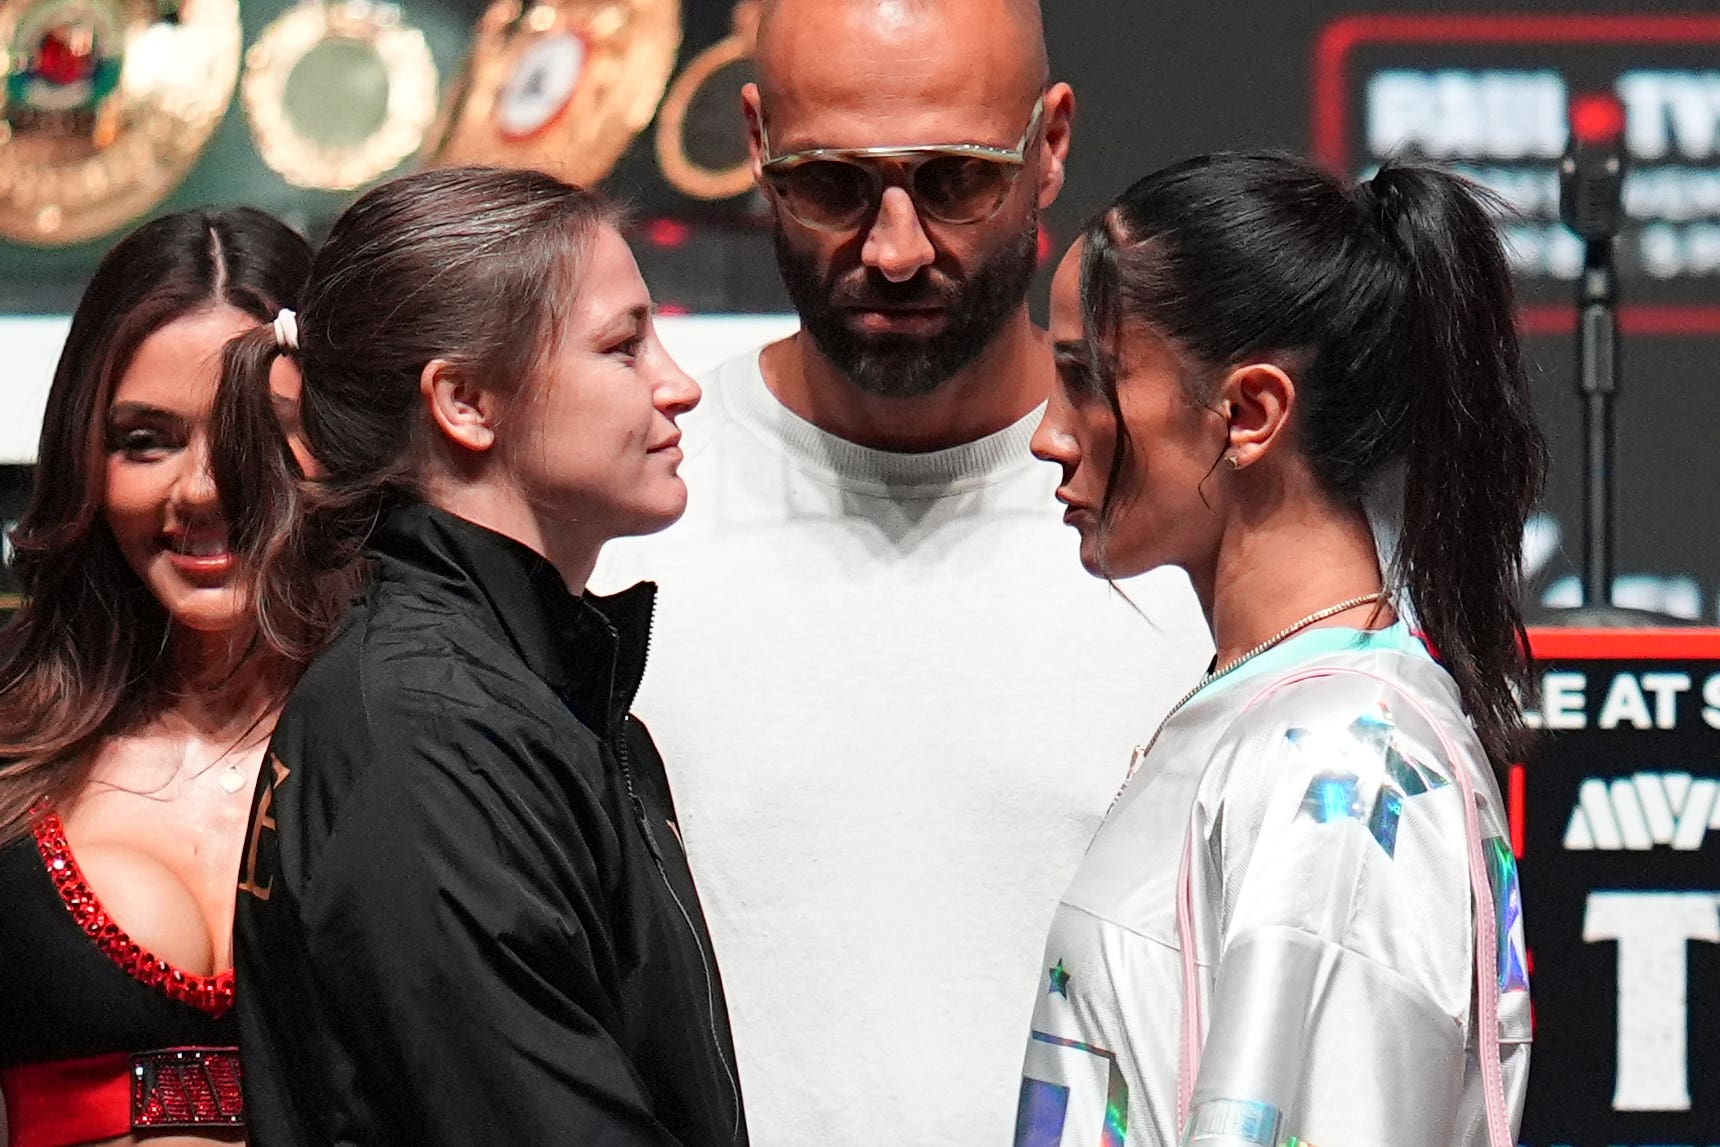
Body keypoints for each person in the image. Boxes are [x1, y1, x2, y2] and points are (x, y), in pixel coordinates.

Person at [590, 0, 1211, 1141]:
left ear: (1052, 143)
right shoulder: (615, 513)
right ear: (755, 140)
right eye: (829, 183)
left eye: (955, 179)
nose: (894, 248)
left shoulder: (1196, 540)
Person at [1017, 152, 1543, 1146]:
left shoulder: (1342, 761)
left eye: (1088, 380)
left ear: (1250, 412)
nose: (1049, 434)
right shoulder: (1276, 717)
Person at [213, 166, 746, 1147]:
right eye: (623, 345)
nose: (678, 385)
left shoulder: (504, 690)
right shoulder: (428, 733)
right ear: (464, 401)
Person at [0, 207, 311, 1147]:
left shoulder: (429, 741)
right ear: (87, 459)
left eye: (254, 433)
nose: (204, 489)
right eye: (146, 439)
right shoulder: (8, 740)